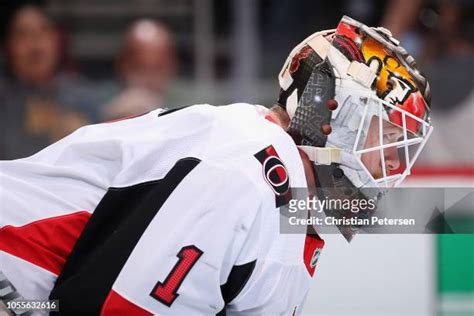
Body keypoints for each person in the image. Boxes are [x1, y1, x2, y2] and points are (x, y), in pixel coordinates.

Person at [0, 16, 432, 315]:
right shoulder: (243, 166)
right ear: (328, 112)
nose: (394, 161)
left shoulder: (286, 196)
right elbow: (110, 308)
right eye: (386, 135)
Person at [0, 4, 102, 159]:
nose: (35, 46)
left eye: (44, 31)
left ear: (57, 40)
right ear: (7, 45)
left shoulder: (87, 97)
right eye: (23, 34)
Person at [101, 19, 177, 121]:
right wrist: (113, 120)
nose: (151, 77)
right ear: (123, 65)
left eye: (158, 68)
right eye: (142, 68)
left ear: (172, 65)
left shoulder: (192, 104)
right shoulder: (102, 101)